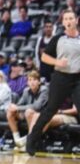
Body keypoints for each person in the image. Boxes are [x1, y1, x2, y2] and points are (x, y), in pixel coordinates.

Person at [26, 9, 80, 155]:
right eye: (66, 19)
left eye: (71, 18)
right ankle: (31, 140)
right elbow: (44, 57)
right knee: (50, 110)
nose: (68, 21)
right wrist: (58, 61)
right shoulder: (58, 39)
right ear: (63, 22)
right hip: (61, 77)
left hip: (77, 78)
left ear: (76, 20)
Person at [7, 70, 48, 149]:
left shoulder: (44, 90)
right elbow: (19, 104)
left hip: (41, 115)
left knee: (29, 112)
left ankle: (28, 142)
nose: (32, 82)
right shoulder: (26, 90)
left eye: (34, 80)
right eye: (30, 80)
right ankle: (17, 140)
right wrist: (13, 106)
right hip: (27, 114)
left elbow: (37, 106)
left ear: (39, 82)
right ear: (27, 83)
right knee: (10, 112)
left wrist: (18, 107)